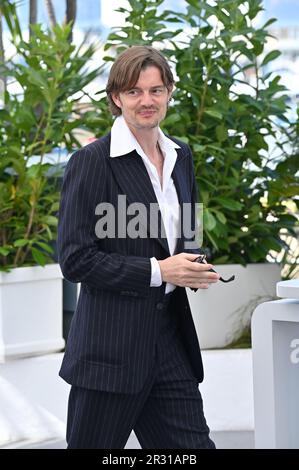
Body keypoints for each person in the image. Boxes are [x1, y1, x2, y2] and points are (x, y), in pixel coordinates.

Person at [58, 45, 220, 449]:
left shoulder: (182, 156)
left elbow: (188, 233)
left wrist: (197, 265)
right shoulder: (92, 160)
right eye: (134, 92)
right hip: (110, 352)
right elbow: (75, 259)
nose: (146, 101)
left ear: (169, 93)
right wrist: (160, 271)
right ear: (117, 98)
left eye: (156, 90)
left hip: (170, 343)